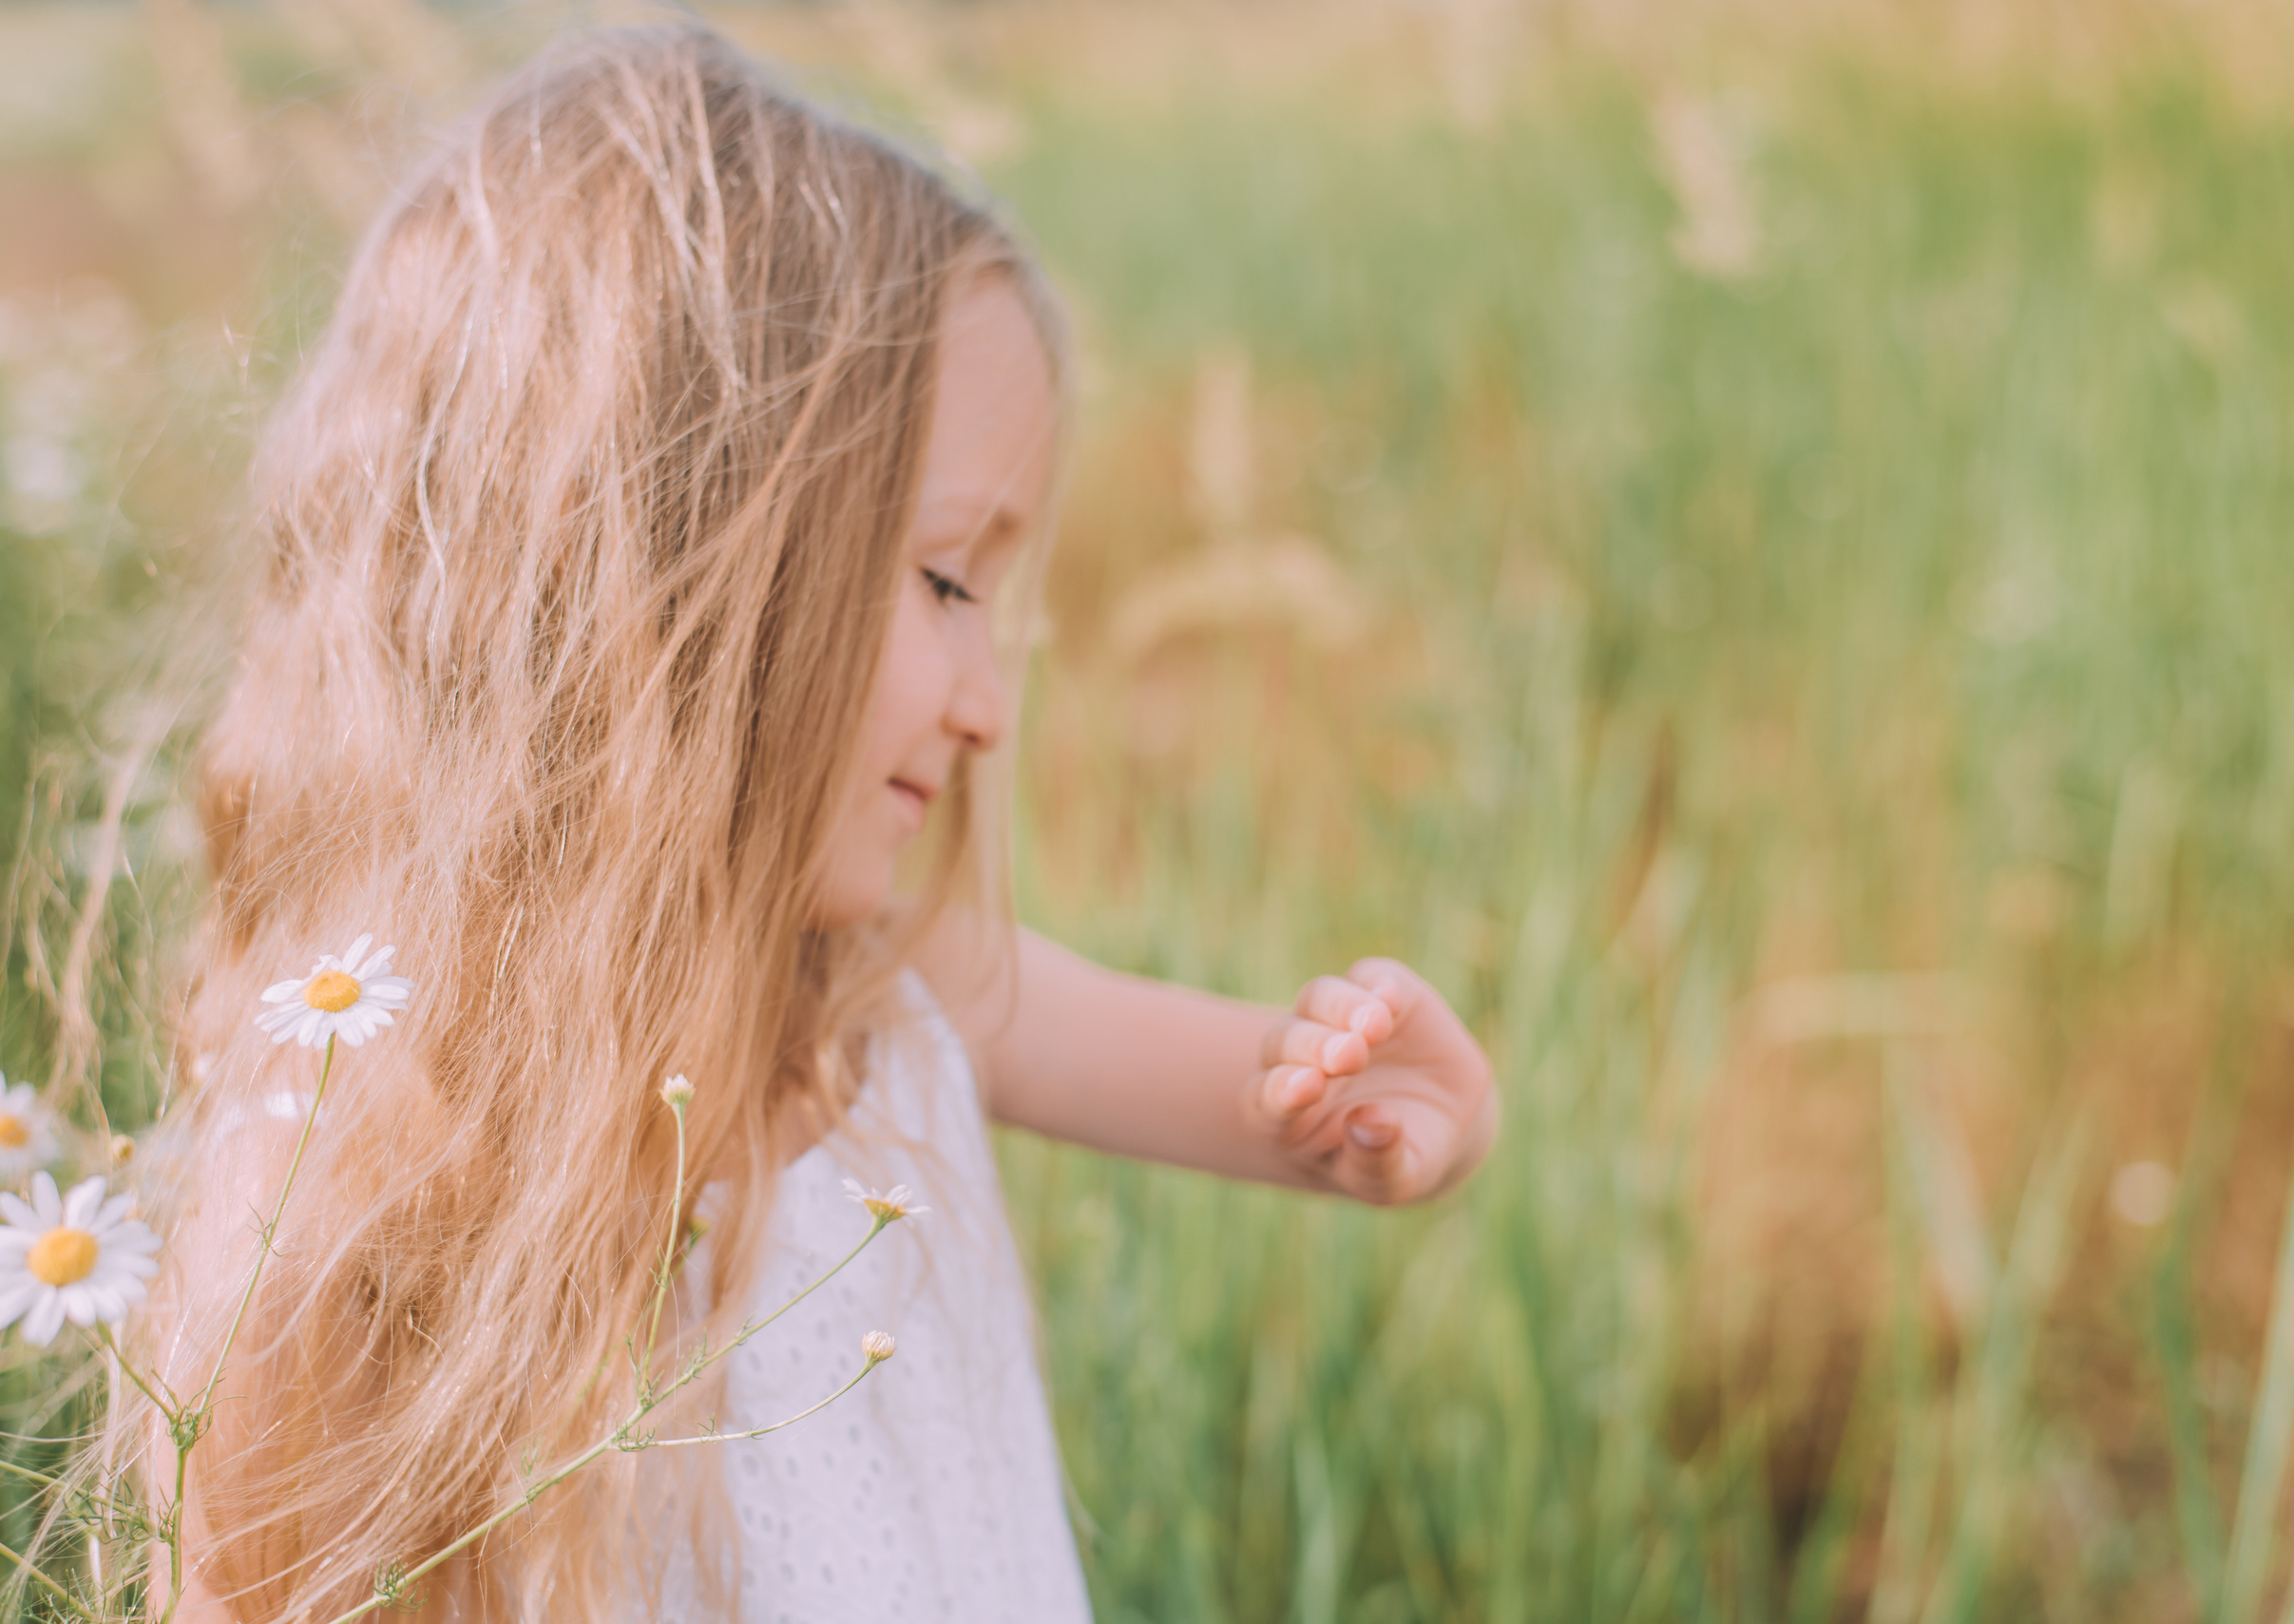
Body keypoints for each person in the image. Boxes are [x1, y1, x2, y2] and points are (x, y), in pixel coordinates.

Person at [121, 23, 1498, 1623]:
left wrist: (1373, 1108)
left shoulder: (874, 1000)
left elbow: (1275, 1100)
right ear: (656, 577)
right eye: (943, 579)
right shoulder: (335, 1195)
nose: (991, 703)